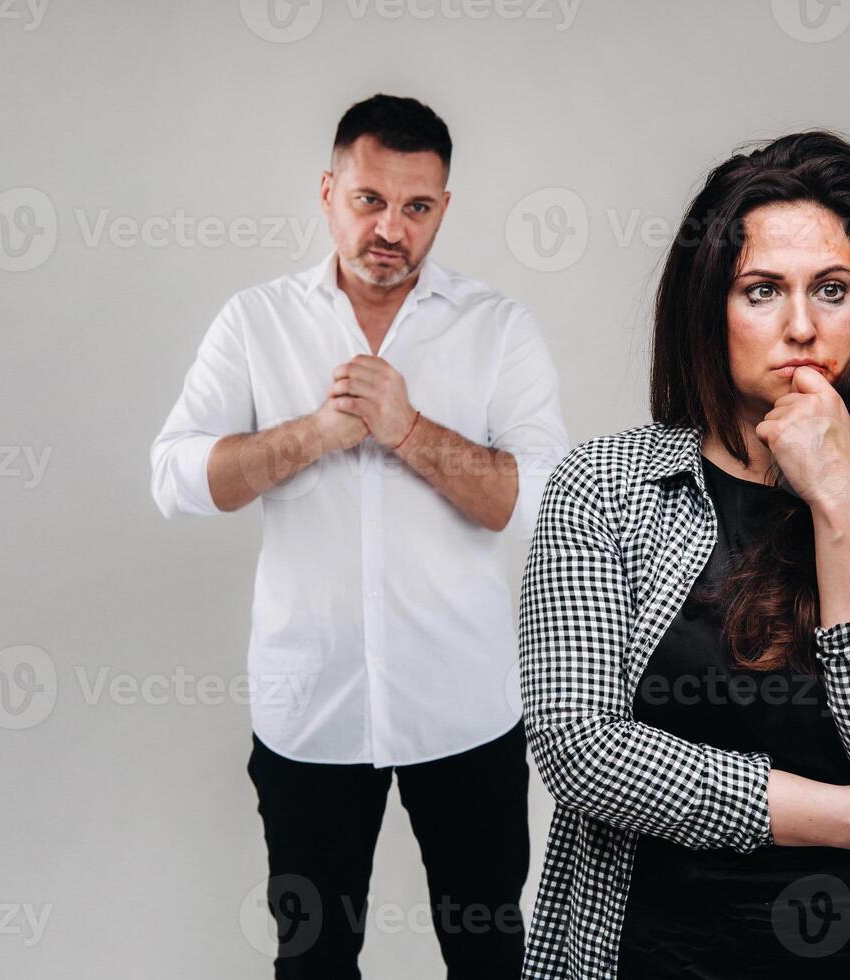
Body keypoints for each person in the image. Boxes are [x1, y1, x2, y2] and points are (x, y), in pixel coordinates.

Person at [517, 130, 850, 978]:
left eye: (833, 289)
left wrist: (840, 495)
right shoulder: (604, 490)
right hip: (648, 951)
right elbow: (581, 749)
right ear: (709, 307)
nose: (800, 326)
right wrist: (846, 819)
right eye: (762, 291)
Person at [149, 94, 569, 979]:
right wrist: (314, 433)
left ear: (444, 209)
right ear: (329, 190)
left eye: (417, 207)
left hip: (465, 709)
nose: (391, 227)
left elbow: (536, 500)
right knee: (312, 963)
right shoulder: (255, 322)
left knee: (488, 955)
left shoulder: (499, 328)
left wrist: (408, 429)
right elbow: (176, 477)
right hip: (309, 713)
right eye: (370, 200)